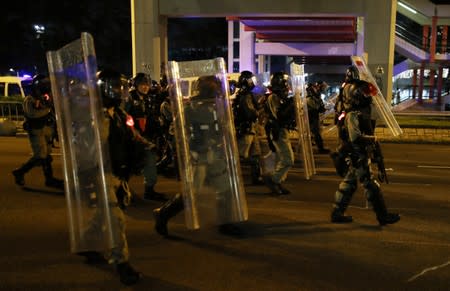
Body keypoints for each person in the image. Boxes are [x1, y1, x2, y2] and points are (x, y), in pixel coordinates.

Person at [76, 69, 145, 285]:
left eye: (121, 87)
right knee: (115, 218)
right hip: (100, 174)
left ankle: (85, 243)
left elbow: (131, 136)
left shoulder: (119, 113)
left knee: (103, 215)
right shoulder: (91, 116)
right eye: (115, 86)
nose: (120, 91)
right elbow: (84, 149)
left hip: (117, 172)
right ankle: (121, 262)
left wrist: (143, 146)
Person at [152, 75, 245, 237]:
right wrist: (191, 143)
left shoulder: (217, 107)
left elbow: (224, 129)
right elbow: (175, 131)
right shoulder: (190, 109)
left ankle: (225, 223)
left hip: (214, 154)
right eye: (213, 89)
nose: (216, 91)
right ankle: (163, 214)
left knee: (225, 188)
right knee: (191, 194)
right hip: (198, 156)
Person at [330, 66, 400, 226]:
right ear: (357, 95)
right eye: (363, 94)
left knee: (349, 183)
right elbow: (355, 137)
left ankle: (337, 212)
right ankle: (382, 216)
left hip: (354, 153)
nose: (367, 97)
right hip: (356, 153)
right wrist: (372, 139)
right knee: (369, 183)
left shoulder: (351, 111)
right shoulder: (353, 114)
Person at [12, 74, 64, 190]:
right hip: (36, 130)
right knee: (40, 155)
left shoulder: (45, 97)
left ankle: (49, 179)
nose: (46, 89)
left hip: (46, 128)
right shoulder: (29, 99)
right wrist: (47, 107)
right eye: (43, 86)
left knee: (47, 155)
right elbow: (33, 114)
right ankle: (20, 172)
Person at [124, 72, 167, 202]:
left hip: (146, 137)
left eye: (147, 84)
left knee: (150, 161)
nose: (145, 87)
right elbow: (125, 117)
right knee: (125, 166)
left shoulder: (149, 99)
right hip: (131, 138)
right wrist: (132, 132)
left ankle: (149, 190)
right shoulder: (129, 98)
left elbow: (151, 117)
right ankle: (120, 190)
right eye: (142, 84)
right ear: (136, 85)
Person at [263, 71, 295, 195]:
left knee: (282, 159)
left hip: (282, 130)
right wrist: (290, 105)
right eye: (285, 83)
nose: (287, 86)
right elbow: (279, 116)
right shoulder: (273, 97)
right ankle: (274, 180)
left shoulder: (280, 97)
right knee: (288, 159)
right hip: (277, 131)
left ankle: (278, 183)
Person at [233, 70, 263, 185]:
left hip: (251, 129)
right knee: (242, 155)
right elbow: (251, 113)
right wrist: (258, 110)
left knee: (255, 154)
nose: (253, 82)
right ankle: (230, 178)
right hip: (247, 129)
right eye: (252, 80)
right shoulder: (245, 96)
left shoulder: (245, 94)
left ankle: (256, 178)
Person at [306, 81, 329, 154]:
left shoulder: (316, 95)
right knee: (316, 133)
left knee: (315, 133)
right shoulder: (311, 97)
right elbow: (317, 107)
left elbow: (320, 106)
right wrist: (321, 107)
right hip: (312, 117)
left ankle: (314, 147)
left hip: (314, 116)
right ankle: (320, 148)